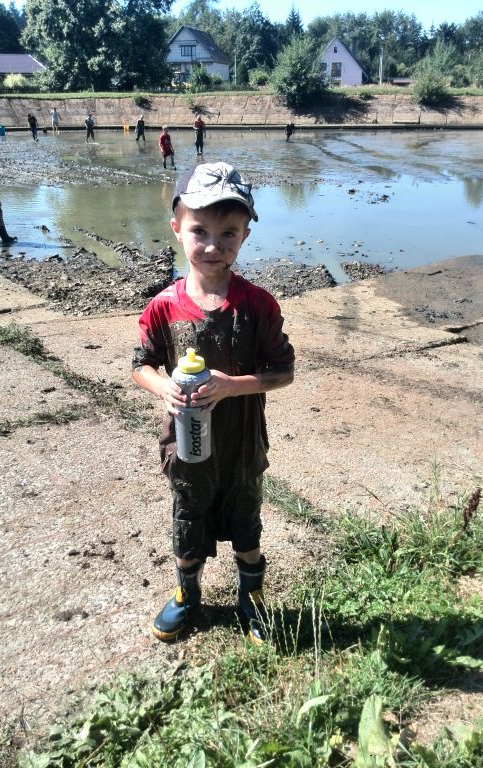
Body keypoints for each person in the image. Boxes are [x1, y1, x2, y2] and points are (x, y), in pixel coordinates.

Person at [131, 161, 295, 644]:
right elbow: (141, 365)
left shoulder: (258, 304)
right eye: (199, 230)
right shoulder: (163, 306)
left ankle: (252, 597)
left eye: (228, 234)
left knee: (246, 523)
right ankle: (187, 594)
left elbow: (283, 372)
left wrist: (231, 385)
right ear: (176, 228)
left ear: (245, 236)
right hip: (187, 445)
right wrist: (163, 387)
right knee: (188, 520)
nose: (212, 245)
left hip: (243, 444)